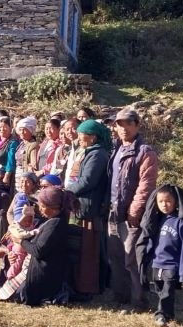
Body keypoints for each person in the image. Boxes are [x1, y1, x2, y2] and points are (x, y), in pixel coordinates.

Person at [108, 108, 158, 309]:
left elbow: (146, 185)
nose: (123, 128)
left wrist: (135, 211)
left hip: (131, 215)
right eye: (119, 124)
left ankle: (138, 301)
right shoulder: (117, 148)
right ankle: (120, 296)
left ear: (137, 125)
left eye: (128, 123)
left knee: (132, 260)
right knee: (116, 256)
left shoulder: (145, 152)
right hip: (113, 211)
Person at [0, 187, 78, 306]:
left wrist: (20, 241)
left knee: (17, 295)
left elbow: (38, 251)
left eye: (42, 206)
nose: (39, 209)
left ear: (53, 207)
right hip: (42, 270)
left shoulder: (55, 225)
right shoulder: (54, 221)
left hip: (43, 275)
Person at [136, 185, 183, 326]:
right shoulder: (156, 221)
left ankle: (160, 315)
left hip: (171, 265)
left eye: (168, 201)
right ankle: (169, 313)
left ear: (176, 202)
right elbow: (150, 242)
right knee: (160, 290)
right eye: (160, 201)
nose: (164, 205)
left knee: (167, 291)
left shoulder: (181, 223)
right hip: (157, 264)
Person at [67, 119, 112, 297]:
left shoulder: (98, 155)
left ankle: (89, 286)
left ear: (93, 137)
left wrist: (67, 190)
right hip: (82, 204)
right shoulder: (89, 152)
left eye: (81, 134)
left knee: (89, 248)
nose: (78, 138)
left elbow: (87, 181)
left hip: (89, 207)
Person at [0, 116, 19, 191]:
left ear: (10, 128)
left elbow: (11, 160)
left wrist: (7, 176)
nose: (2, 129)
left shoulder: (12, 143)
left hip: (3, 177)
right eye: (0, 127)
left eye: (5, 127)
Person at [14, 116, 39, 193]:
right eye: (20, 130)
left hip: (25, 176)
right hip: (17, 175)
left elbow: (33, 165)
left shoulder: (33, 145)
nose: (21, 132)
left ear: (31, 131)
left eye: (24, 130)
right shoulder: (21, 144)